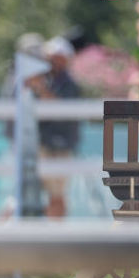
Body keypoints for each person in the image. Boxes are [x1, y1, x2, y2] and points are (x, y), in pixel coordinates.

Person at [25, 36, 82, 218]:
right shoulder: (48, 80)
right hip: (45, 144)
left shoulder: (69, 84)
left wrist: (39, 88)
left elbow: (59, 108)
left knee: (56, 194)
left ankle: (56, 234)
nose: (52, 61)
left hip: (61, 146)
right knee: (49, 193)